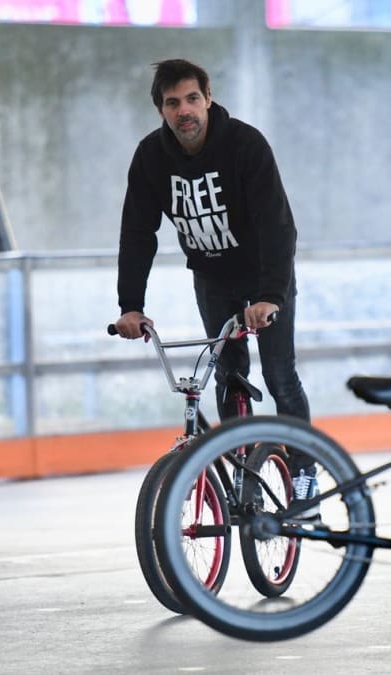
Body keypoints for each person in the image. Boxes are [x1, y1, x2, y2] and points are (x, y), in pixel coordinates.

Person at [113, 59, 317, 507]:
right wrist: (131, 304)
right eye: (172, 103)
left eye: (191, 98)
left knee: (280, 374)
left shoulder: (245, 145)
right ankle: (246, 477)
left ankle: (305, 475)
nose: (184, 110)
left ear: (207, 98)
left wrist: (270, 295)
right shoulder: (151, 157)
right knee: (229, 377)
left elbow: (278, 227)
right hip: (212, 276)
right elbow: (137, 233)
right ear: (161, 110)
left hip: (263, 274)